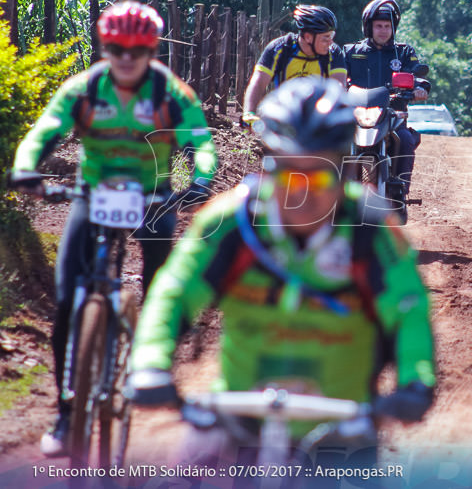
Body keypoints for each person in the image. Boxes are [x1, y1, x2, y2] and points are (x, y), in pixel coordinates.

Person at [127, 77, 435, 473]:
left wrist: (416, 381)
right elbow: (175, 289)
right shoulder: (230, 220)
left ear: (345, 172)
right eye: (288, 175)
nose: (302, 194)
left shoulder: (372, 228)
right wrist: (151, 362)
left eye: (320, 177)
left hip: (341, 428)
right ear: (267, 165)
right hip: (239, 419)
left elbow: (409, 306)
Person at [10, 0, 217, 458]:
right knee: (66, 299)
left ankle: (152, 365)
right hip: (94, 193)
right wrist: (27, 168)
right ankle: (67, 417)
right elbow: (45, 130)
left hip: (153, 195)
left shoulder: (171, 95)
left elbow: (200, 143)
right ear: (105, 47)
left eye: (137, 49)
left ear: (152, 50)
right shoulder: (85, 90)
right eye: (116, 47)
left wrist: (201, 180)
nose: (126, 56)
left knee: (165, 289)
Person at [342, 0, 429, 196]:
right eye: (379, 26)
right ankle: (330, 189)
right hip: (354, 116)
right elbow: (336, 76)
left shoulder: (404, 52)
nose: (383, 30)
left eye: (387, 26)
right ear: (368, 27)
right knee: (331, 137)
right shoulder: (350, 51)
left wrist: (420, 87)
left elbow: (416, 74)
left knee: (406, 139)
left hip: (392, 115)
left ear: (393, 28)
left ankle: (400, 190)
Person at [241, 4, 346, 126]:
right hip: (284, 116)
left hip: (319, 117)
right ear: (308, 37)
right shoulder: (279, 48)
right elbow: (258, 83)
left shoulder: (334, 52)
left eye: (332, 36)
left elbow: (338, 88)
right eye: (325, 37)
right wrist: (249, 113)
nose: (330, 42)